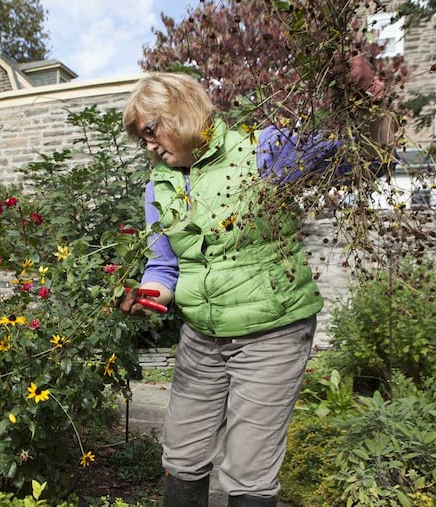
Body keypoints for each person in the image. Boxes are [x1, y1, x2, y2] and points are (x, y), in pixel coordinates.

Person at [120, 55, 396, 507]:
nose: (147, 147)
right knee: (182, 454)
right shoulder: (159, 185)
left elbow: (367, 159)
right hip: (204, 335)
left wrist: (367, 100)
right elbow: (164, 265)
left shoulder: (263, 149)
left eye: (149, 131)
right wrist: (149, 294)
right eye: (140, 139)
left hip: (272, 332)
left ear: (181, 112)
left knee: (248, 470)